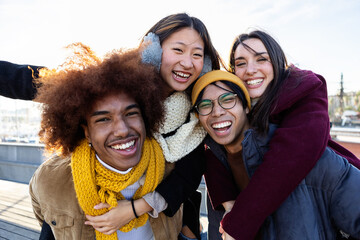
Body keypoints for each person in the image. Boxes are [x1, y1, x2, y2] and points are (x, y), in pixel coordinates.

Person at [3, 13, 223, 240]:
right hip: (85, 191)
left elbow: (188, 176)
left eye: (197, 54)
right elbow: (37, 82)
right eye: (178, 50)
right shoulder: (120, 84)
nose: (187, 63)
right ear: (153, 51)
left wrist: (134, 209)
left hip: (152, 216)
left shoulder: (195, 118)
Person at [192, 30, 360, 240]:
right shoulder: (225, 151)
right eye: (241, 63)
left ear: (278, 63)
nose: (250, 70)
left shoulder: (303, 93)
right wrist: (227, 201)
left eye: (261, 59)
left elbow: (293, 155)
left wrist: (239, 221)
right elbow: (213, 149)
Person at [29, 45, 184, 239]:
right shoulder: (50, 179)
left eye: (131, 113)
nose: (122, 130)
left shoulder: (170, 168)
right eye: (104, 119)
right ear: (86, 132)